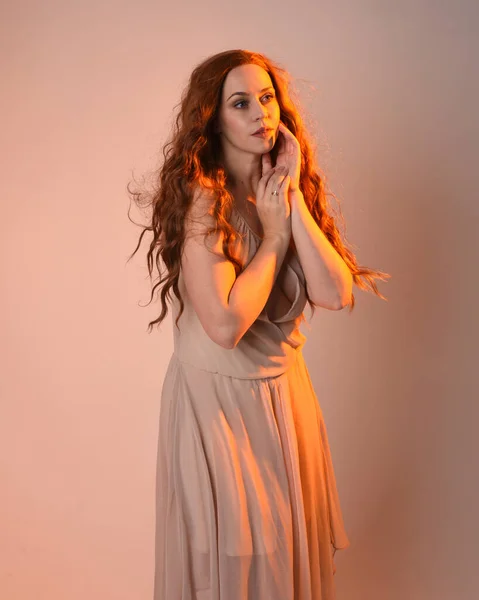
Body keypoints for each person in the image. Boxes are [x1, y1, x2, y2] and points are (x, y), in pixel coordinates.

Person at [128, 49, 389, 600]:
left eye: (267, 99)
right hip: (217, 406)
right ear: (213, 118)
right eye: (240, 102)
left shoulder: (282, 190)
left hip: (284, 402)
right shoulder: (204, 200)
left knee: (285, 557)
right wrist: (272, 238)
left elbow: (335, 293)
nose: (260, 114)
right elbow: (225, 324)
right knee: (237, 566)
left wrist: (288, 198)